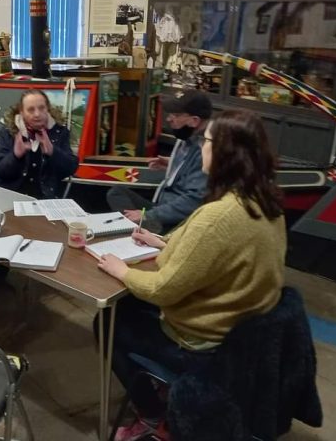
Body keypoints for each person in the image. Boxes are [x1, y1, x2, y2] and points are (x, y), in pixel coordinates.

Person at [96, 110, 286, 440]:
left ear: (227, 153)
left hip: (204, 346)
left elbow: (163, 290)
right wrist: (163, 241)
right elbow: (218, 250)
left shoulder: (217, 215)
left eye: (208, 141)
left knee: (107, 323)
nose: (202, 148)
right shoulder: (264, 200)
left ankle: (153, 415)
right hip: (245, 335)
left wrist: (122, 270)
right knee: (128, 311)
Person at [0, 89, 79, 293]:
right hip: (11, 194)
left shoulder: (59, 133)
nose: (37, 114)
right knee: (8, 228)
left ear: (48, 110)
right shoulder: (9, 132)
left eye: (42, 108)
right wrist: (17, 154)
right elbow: (2, 172)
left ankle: (39, 277)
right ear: (21, 113)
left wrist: (52, 151)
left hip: (44, 197)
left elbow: (71, 168)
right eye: (31, 109)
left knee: (45, 230)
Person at [106, 88, 212, 234]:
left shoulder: (205, 151)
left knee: (129, 210)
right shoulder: (188, 140)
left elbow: (193, 200)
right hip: (162, 205)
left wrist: (149, 215)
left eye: (175, 115)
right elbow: (191, 170)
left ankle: (145, 232)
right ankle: (139, 229)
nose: (169, 119)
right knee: (116, 192)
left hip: (174, 220)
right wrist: (172, 165)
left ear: (194, 120)